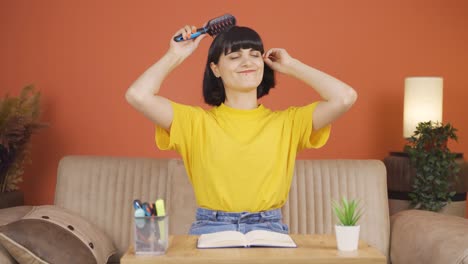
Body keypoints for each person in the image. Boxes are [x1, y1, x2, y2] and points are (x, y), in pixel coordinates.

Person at [125, 24, 357, 235]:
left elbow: (345, 97)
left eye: (255, 55)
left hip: (269, 227)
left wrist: (292, 66)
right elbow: (138, 95)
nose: (248, 62)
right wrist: (174, 55)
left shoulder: (289, 122)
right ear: (215, 69)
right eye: (235, 57)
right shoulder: (194, 122)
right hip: (211, 227)